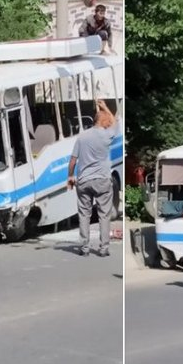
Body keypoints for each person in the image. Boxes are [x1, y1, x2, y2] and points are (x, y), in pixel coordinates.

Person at [67, 99, 118, 257]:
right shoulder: (106, 135)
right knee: (104, 214)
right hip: (102, 180)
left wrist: (70, 176)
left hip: (84, 180)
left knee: (84, 214)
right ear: (103, 121)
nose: (109, 122)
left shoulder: (82, 137)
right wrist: (105, 107)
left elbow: (73, 160)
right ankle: (103, 248)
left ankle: (85, 247)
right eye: (107, 120)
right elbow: (116, 123)